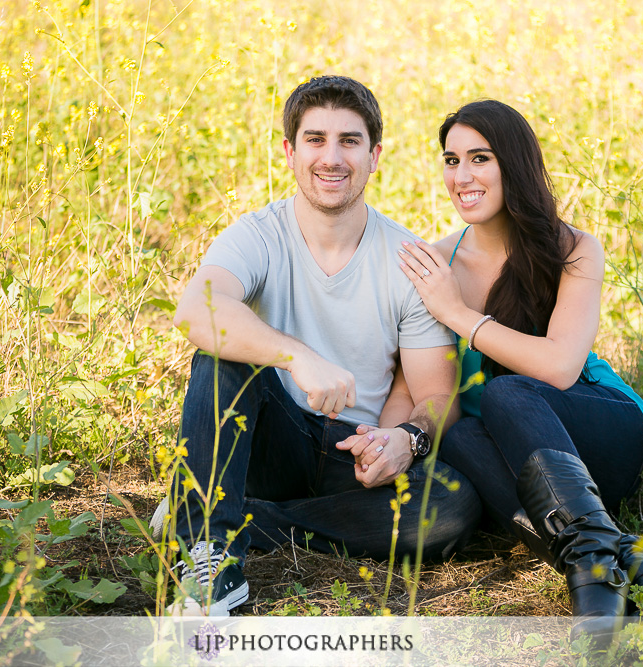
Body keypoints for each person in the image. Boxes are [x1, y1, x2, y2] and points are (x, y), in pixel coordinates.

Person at [158, 75, 481, 616]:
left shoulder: (408, 259)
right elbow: (196, 311)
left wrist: (406, 439)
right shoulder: (258, 234)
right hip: (268, 438)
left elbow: (438, 398)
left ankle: (235, 518)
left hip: (353, 457)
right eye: (315, 139)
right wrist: (297, 357)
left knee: (452, 506)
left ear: (375, 155)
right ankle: (206, 553)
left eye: (350, 141)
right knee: (220, 355)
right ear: (289, 151)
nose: (331, 158)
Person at [390, 99, 643, 639]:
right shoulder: (435, 262)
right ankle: (615, 566)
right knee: (455, 436)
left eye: (480, 158)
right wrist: (390, 439)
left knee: (508, 394)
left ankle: (598, 568)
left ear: (514, 163)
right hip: (525, 472)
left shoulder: (572, 248)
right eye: (451, 160)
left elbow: (559, 367)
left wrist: (458, 313)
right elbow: (414, 382)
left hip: (598, 430)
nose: (462, 176)